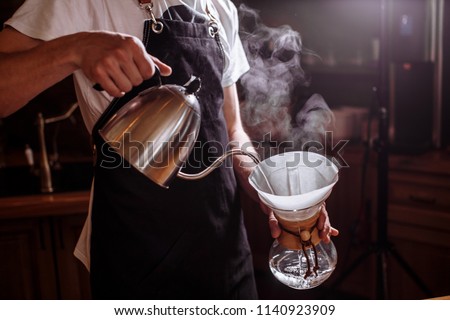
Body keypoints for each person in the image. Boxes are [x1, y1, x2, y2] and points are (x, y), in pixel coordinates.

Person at [0, 0, 338, 299]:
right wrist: (74, 49)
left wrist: (271, 191)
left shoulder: (218, 7)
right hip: (136, 251)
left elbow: (232, 130)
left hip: (224, 251)